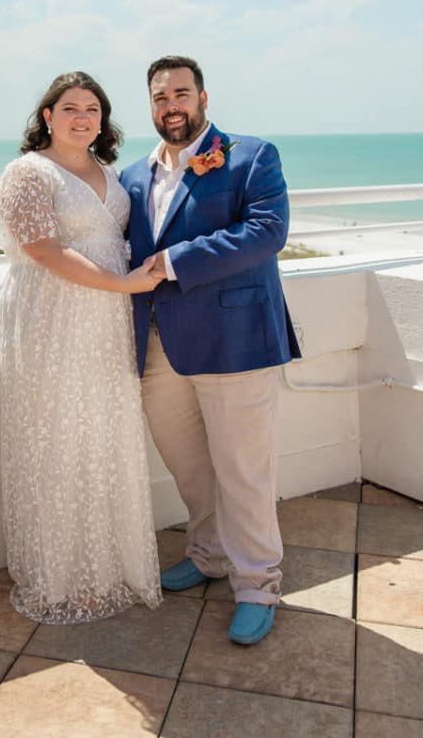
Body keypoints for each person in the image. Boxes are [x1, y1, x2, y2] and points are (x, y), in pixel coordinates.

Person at [121, 55, 301, 645]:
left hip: (234, 342)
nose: (170, 104)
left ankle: (257, 584)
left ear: (203, 97)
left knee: (244, 470)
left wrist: (175, 262)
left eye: (180, 93)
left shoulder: (251, 156)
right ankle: (208, 555)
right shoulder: (131, 176)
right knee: (190, 466)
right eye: (158, 97)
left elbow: (266, 232)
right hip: (158, 347)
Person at [0, 70, 163, 624]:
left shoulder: (110, 173)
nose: (83, 117)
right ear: (47, 116)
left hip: (108, 320)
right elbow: (42, 250)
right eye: (70, 107)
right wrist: (123, 284)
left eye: (93, 108)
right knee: (59, 432)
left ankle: (106, 564)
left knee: (103, 430)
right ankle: (62, 575)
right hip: (54, 316)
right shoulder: (28, 171)